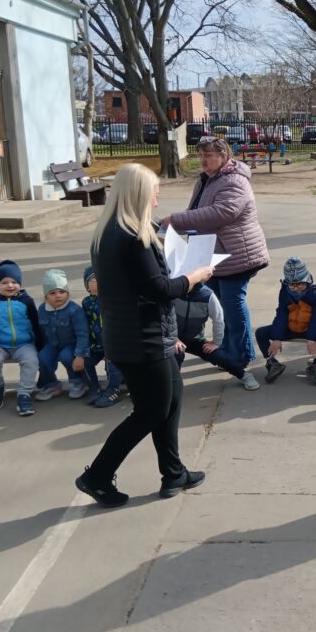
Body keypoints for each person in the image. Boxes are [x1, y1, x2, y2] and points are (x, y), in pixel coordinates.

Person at [76, 163, 214, 508]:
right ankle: (97, 476)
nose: (157, 199)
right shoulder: (133, 237)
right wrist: (195, 277)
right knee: (150, 412)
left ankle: (173, 473)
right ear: (139, 194)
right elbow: (160, 290)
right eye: (154, 192)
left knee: (172, 399)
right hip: (142, 339)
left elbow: (140, 282)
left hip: (133, 336)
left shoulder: (109, 231)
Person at [164, 137, 269, 367]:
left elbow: (222, 212)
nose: (203, 160)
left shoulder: (234, 180)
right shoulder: (206, 179)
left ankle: (241, 356)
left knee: (232, 306)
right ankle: (229, 351)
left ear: (224, 157)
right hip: (212, 256)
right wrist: (176, 229)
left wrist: (176, 220)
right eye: (201, 155)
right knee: (221, 307)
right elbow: (196, 212)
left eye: (208, 155)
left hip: (236, 255)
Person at [255, 257, 316, 387]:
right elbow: (281, 314)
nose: (296, 288)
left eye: (300, 284)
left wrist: (312, 338)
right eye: (292, 285)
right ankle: (272, 363)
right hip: (290, 328)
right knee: (261, 333)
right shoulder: (285, 291)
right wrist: (277, 337)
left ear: (307, 280)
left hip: (309, 329)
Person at [0, 260, 45, 416]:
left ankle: (24, 394)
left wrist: (40, 345)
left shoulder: (26, 301)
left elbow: (36, 323)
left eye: (14, 282)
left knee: (31, 361)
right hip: (0, 345)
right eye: (4, 282)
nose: (10, 285)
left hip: (24, 344)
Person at [173, 283, 261, 391]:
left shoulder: (208, 296)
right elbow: (164, 315)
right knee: (176, 354)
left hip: (195, 339)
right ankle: (171, 385)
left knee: (218, 355)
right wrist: (173, 337)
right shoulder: (174, 290)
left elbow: (218, 320)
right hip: (173, 338)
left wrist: (216, 343)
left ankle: (244, 375)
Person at [35, 269, 91, 401]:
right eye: (52, 293)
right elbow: (40, 331)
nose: (58, 296)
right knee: (42, 357)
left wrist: (80, 355)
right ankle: (52, 384)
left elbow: (83, 333)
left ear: (68, 293)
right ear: (46, 296)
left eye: (62, 292)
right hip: (52, 344)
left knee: (66, 356)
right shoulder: (42, 309)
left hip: (71, 344)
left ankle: (78, 382)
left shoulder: (74, 310)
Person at [82, 265, 124, 408]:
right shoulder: (86, 303)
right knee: (85, 361)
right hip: (96, 344)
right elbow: (84, 324)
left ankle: (113, 390)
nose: (99, 281)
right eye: (94, 279)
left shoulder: (113, 300)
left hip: (114, 345)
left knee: (111, 363)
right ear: (87, 286)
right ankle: (94, 388)